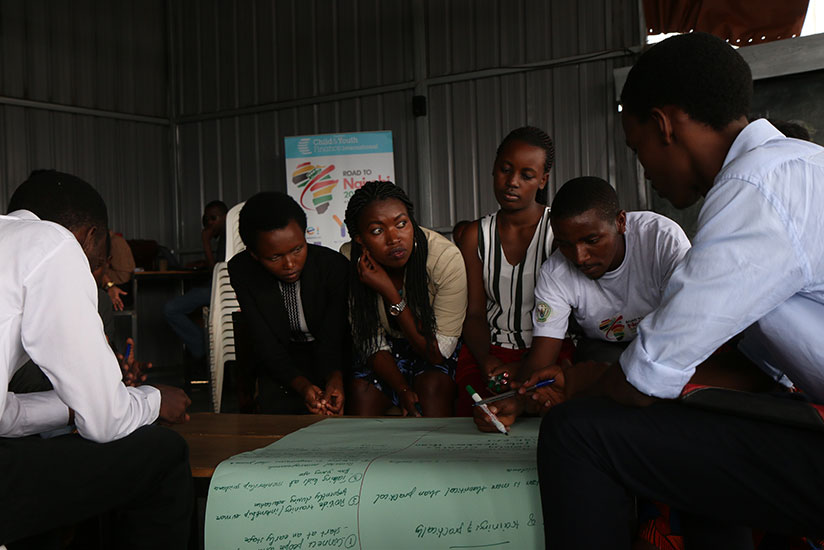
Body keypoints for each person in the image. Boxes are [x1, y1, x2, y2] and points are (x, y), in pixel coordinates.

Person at [527, 32, 824, 548]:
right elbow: (750, 368)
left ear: (664, 126)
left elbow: (643, 379)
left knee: (576, 432)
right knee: (694, 423)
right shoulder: (800, 166)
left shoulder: (752, 190)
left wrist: (582, 381)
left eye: (637, 147)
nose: (644, 169)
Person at [0, 170, 192, 548]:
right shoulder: (53, 243)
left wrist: (72, 409)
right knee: (163, 454)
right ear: (92, 237)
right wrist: (153, 400)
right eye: (101, 261)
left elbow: (5, 417)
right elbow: (105, 422)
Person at [455, 126, 558, 416]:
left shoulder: (557, 231)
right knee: (476, 416)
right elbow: (473, 313)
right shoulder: (475, 235)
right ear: (493, 169)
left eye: (526, 175)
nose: (512, 182)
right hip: (488, 352)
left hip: (549, 351)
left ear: (542, 180)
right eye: (505, 169)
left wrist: (525, 365)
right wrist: (486, 358)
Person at [342, 181, 467, 417]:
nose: (394, 238)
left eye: (402, 224)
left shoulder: (444, 259)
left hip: (432, 343)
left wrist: (390, 293)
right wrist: (402, 389)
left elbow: (437, 352)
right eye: (377, 231)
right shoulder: (350, 260)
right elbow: (370, 342)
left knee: (432, 388)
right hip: (386, 350)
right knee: (361, 391)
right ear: (360, 239)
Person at [228, 192, 349, 415]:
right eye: (275, 257)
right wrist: (302, 386)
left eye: (298, 249)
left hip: (333, 356)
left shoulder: (333, 267)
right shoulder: (242, 270)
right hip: (281, 359)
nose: (290, 264)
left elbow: (335, 334)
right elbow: (263, 338)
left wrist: (335, 377)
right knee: (279, 415)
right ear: (254, 254)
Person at [163, 200, 228, 361]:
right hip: (215, 287)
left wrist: (205, 243)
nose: (209, 224)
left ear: (225, 217)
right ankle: (204, 345)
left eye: (213, 218)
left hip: (221, 290)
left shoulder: (229, 235)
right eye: (206, 220)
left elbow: (217, 275)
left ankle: (202, 347)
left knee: (171, 309)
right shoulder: (225, 236)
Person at [101, 230, 136, 311]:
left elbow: (124, 275)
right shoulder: (110, 240)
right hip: (116, 288)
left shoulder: (115, 241)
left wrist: (108, 283)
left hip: (120, 290)